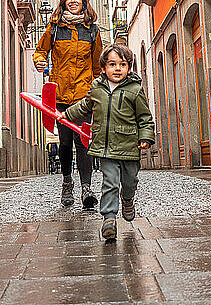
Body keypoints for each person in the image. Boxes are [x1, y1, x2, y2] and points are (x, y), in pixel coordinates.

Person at [59, 44, 155, 240]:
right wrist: (66, 115)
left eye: (123, 64)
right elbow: (84, 106)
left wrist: (145, 137)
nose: (117, 68)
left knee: (129, 182)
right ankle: (109, 219)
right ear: (103, 68)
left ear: (129, 68)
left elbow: (145, 117)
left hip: (129, 146)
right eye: (112, 64)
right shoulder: (96, 88)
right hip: (105, 147)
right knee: (109, 183)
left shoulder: (135, 90)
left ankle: (127, 200)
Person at [33, 0, 102, 208]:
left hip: (83, 95)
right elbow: (41, 51)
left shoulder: (93, 31)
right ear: (64, 3)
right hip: (60, 94)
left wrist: (98, 89)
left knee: (83, 141)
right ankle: (66, 182)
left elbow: (97, 66)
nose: (73, 1)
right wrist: (39, 61)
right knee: (64, 143)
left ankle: (86, 188)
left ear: (84, 3)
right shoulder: (55, 29)